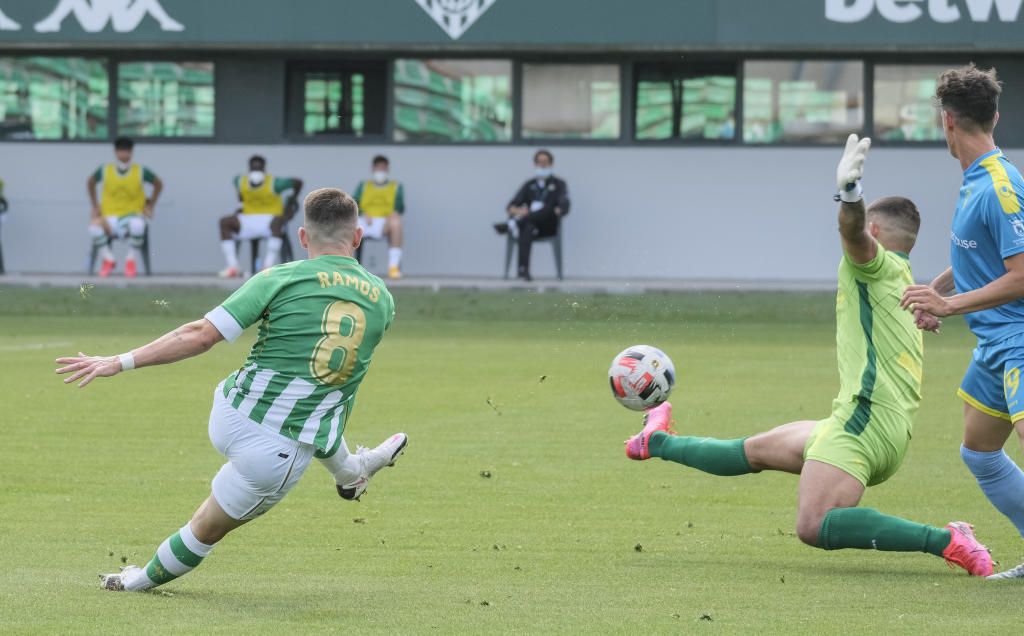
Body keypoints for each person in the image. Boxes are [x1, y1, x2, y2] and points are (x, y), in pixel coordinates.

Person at [625, 134, 992, 577]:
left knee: (814, 525)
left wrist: (850, 193)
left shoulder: (872, 265)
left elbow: (851, 230)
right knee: (754, 451)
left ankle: (949, 540)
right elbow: (949, 272)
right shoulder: (906, 279)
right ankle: (655, 442)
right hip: (870, 420)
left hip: (865, 422)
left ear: (875, 232)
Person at [55, 188, 408, 592]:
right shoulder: (382, 298)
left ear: (303, 237)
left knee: (309, 396)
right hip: (275, 453)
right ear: (358, 237)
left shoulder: (279, 276)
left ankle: (351, 472)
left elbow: (201, 335)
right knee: (205, 527)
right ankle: (135, 582)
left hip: (231, 410)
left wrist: (120, 361)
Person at [900, 65, 1024, 580]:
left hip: (1019, 341)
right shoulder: (976, 180)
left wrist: (950, 306)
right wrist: (940, 292)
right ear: (992, 116)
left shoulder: (999, 185)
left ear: (947, 121)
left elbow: (1022, 276)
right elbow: (983, 254)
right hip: (993, 344)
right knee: (979, 451)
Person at [87, 137, 163, 278]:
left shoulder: (140, 171)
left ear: (131, 153)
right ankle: (109, 259)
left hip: (132, 215)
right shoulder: (105, 170)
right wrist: (94, 206)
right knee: (93, 227)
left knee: (138, 224)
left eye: (127, 151)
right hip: (109, 218)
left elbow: (158, 183)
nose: (123, 154)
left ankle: (130, 259)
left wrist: (151, 205)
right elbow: (90, 182)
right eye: (121, 151)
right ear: (115, 152)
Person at [218, 155, 303, 278]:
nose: (256, 169)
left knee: (278, 221)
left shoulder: (275, 183)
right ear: (249, 168)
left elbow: (298, 182)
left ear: (264, 168)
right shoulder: (240, 181)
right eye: (254, 166)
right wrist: (240, 205)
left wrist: (292, 199)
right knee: (224, 221)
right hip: (247, 219)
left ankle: (267, 266)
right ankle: (233, 266)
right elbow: (240, 193)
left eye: (259, 166)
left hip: (270, 220)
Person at [494, 150, 570, 282]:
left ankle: (513, 224)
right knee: (527, 226)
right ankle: (524, 271)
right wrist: (521, 212)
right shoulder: (529, 185)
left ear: (551, 164)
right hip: (530, 225)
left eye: (545, 163)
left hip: (548, 226)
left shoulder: (559, 184)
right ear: (535, 164)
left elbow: (564, 205)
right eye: (539, 162)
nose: (542, 166)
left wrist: (558, 210)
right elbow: (510, 207)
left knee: (548, 209)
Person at [353, 155, 404, 279]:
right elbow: (353, 203)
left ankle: (393, 267)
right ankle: (350, 268)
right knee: (345, 224)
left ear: (388, 169)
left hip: (384, 223)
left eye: (383, 168)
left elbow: (400, 207)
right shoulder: (363, 185)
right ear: (373, 169)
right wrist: (363, 213)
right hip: (364, 220)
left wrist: (395, 212)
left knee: (396, 222)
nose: (380, 171)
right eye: (378, 168)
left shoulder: (396, 186)